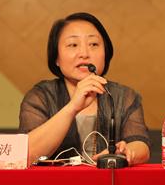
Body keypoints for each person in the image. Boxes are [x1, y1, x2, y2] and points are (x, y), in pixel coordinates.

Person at [19, 12, 150, 165]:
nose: (84, 54)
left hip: (109, 179)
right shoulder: (41, 96)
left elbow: (141, 145)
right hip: (55, 180)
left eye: (93, 44)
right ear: (56, 58)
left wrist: (124, 152)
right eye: (73, 45)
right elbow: (26, 153)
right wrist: (72, 107)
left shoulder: (123, 96)